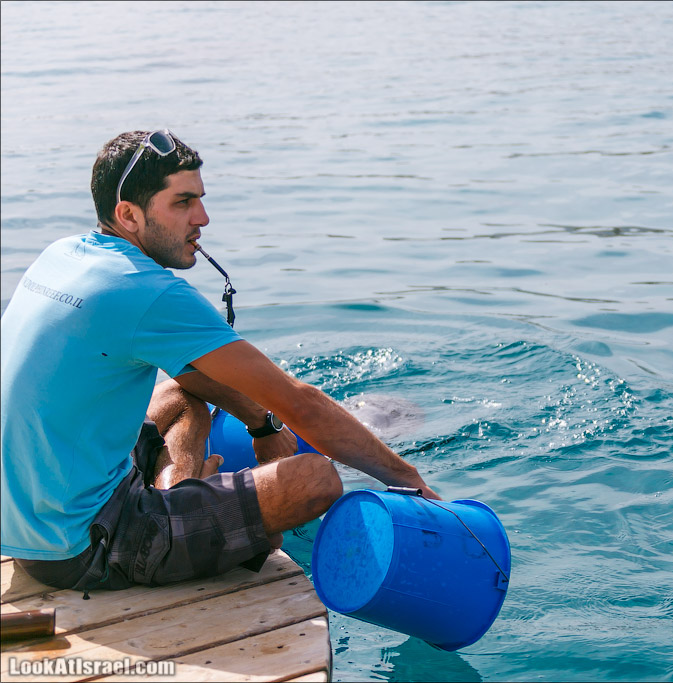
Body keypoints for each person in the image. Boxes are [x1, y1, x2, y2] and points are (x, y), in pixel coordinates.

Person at [0, 129, 439, 594]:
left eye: (200, 200)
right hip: (83, 548)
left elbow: (193, 376)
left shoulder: (63, 254)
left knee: (179, 395)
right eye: (183, 202)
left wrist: (261, 425)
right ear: (128, 215)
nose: (202, 218)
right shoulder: (147, 290)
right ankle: (176, 520)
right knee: (316, 479)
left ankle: (175, 498)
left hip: (28, 520)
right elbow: (299, 403)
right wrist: (410, 480)